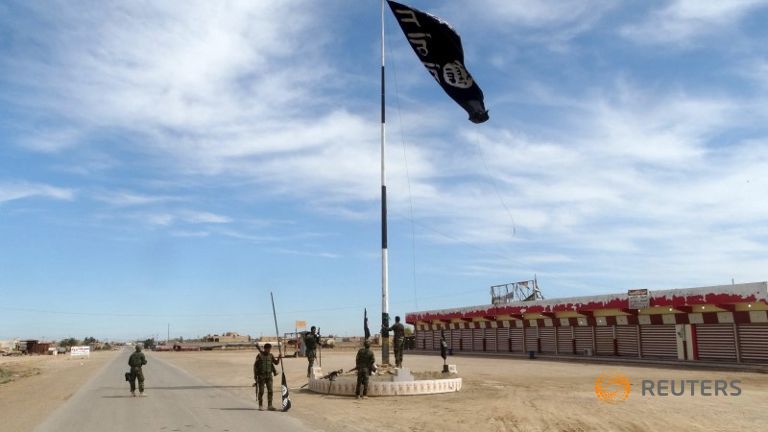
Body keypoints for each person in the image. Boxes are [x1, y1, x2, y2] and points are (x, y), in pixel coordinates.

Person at [253, 343, 280, 411]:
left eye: (270, 349)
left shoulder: (271, 356)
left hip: (269, 376)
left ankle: (270, 406)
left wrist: (279, 357)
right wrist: (255, 376)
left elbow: (276, 363)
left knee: (270, 391)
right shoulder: (259, 356)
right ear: (265, 349)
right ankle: (260, 405)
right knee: (261, 391)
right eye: (268, 349)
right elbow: (255, 366)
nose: (269, 350)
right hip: (261, 376)